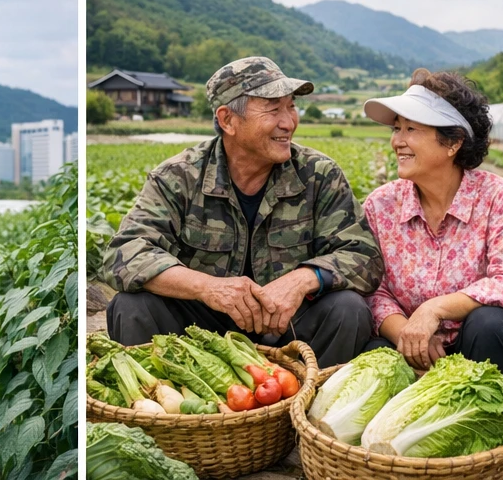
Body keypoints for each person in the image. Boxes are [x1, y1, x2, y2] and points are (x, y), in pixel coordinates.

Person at [103, 56, 383, 368]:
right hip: (200, 329)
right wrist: (208, 288)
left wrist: (303, 279)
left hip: (287, 327)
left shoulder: (318, 174)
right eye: (273, 109)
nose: (288, 121)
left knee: (349, 309)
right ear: (227, 120)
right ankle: (163, 409)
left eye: (291, 106)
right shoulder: (178, 177)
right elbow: (123, 253)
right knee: (130, 307)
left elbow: (364, 255)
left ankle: (306, 408)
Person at [360, 69, 503, 384]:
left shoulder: (497, 197)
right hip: (417, 345)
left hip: (485, 345)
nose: (397, 141)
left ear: (453, 143)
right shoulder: (381, 205)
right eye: (396, 128)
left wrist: (435, 309)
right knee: (374, 353)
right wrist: (410, 334)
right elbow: (373, 291)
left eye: (411, 129)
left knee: (489, 323)